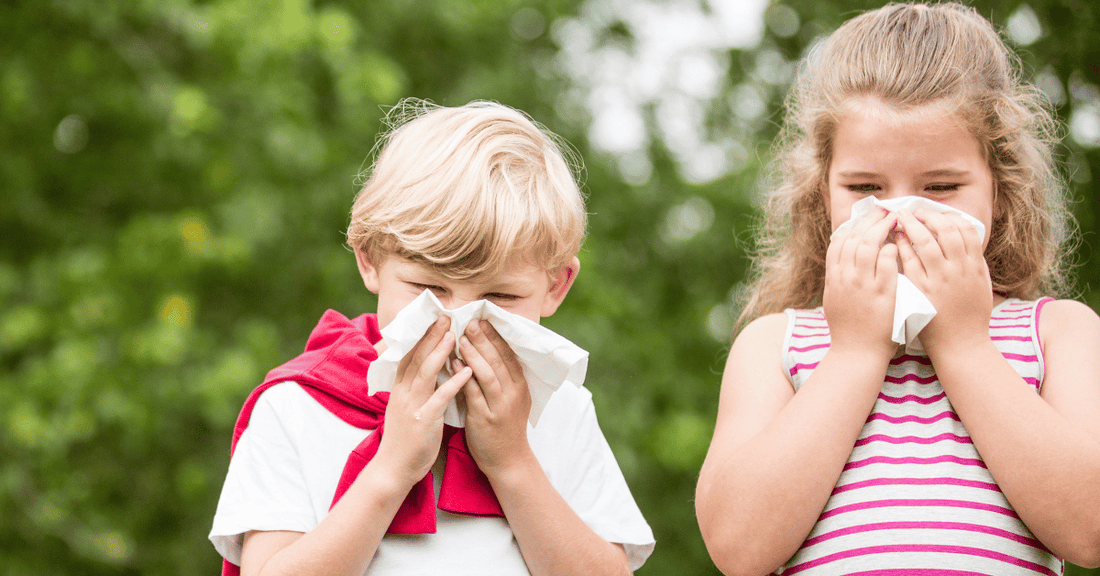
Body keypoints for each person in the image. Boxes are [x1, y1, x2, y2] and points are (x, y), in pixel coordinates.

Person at [695, 3, 1100, 575]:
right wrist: (856, 351)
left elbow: (1090, 531)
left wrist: (963, 344)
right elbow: (737, 549)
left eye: (941, 186)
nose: (902, 216)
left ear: (1000, 191)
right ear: (822, 198)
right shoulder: (776, 345)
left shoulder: (1058, 333)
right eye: (865, 186)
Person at [210, 100, 655, 576]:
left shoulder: (560, 408)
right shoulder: (298, 407)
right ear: (369, 259)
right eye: (428, 289)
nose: (458, 321)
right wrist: (392, 469)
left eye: (499, 296)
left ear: (555, 286)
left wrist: (512, 462)